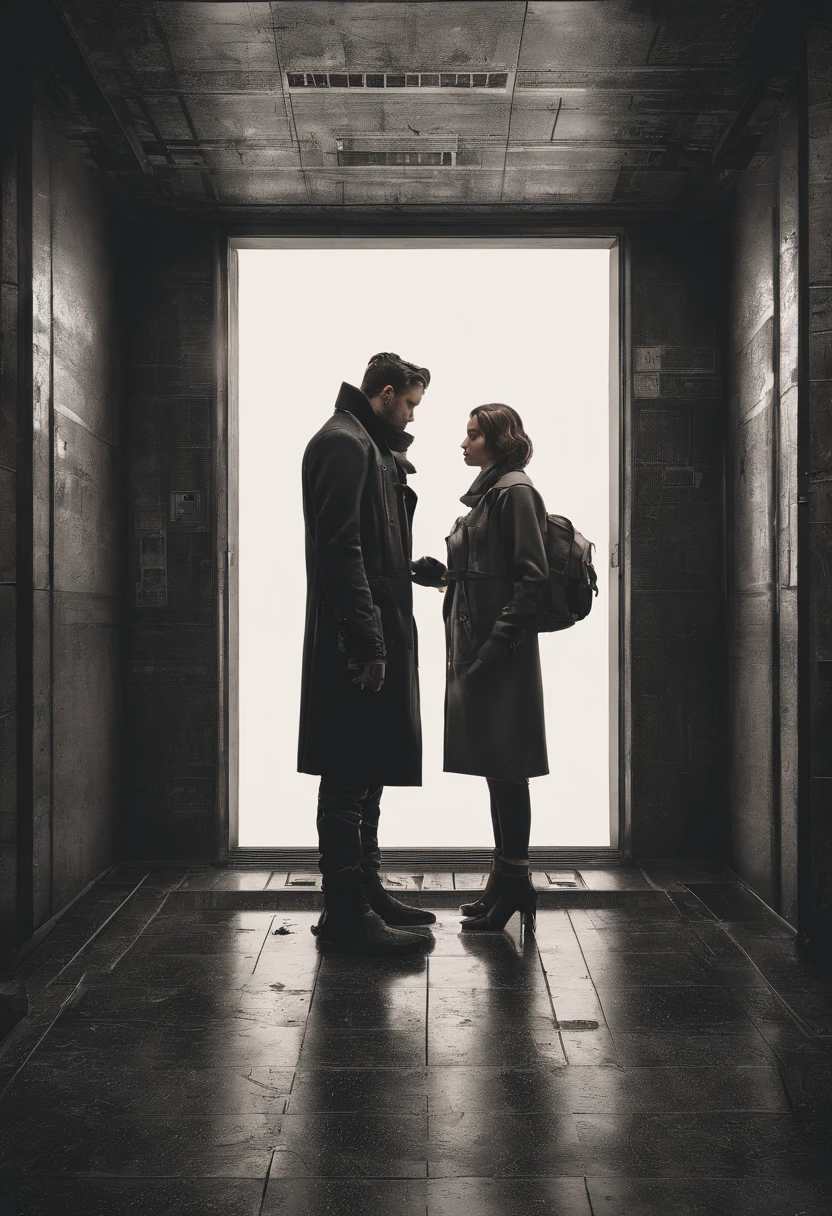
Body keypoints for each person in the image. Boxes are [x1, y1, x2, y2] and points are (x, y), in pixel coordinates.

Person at [299, 353, 437, 956]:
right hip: (356, 639)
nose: (411, 415)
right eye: (409, 404)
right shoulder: (345, 444)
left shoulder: (365, 444)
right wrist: (365, 640)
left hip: (371, 627)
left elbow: (367, 547)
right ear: (384, 393)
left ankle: (364, 893)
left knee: (366, 767)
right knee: (349, 771)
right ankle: (347, 912)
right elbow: (339, 549)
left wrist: (410, 569)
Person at [412, 405, 548, 931]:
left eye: (473, 435)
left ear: (498, 439)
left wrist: (494, 649)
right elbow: (490, 574)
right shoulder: (493, 494)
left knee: (509, 769)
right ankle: (505, 879)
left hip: (500, 655)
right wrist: (441, 575)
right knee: (498, 766)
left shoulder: (514, 492)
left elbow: (531, 581)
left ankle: (514, 881)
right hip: (485, 650)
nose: (463, 443)